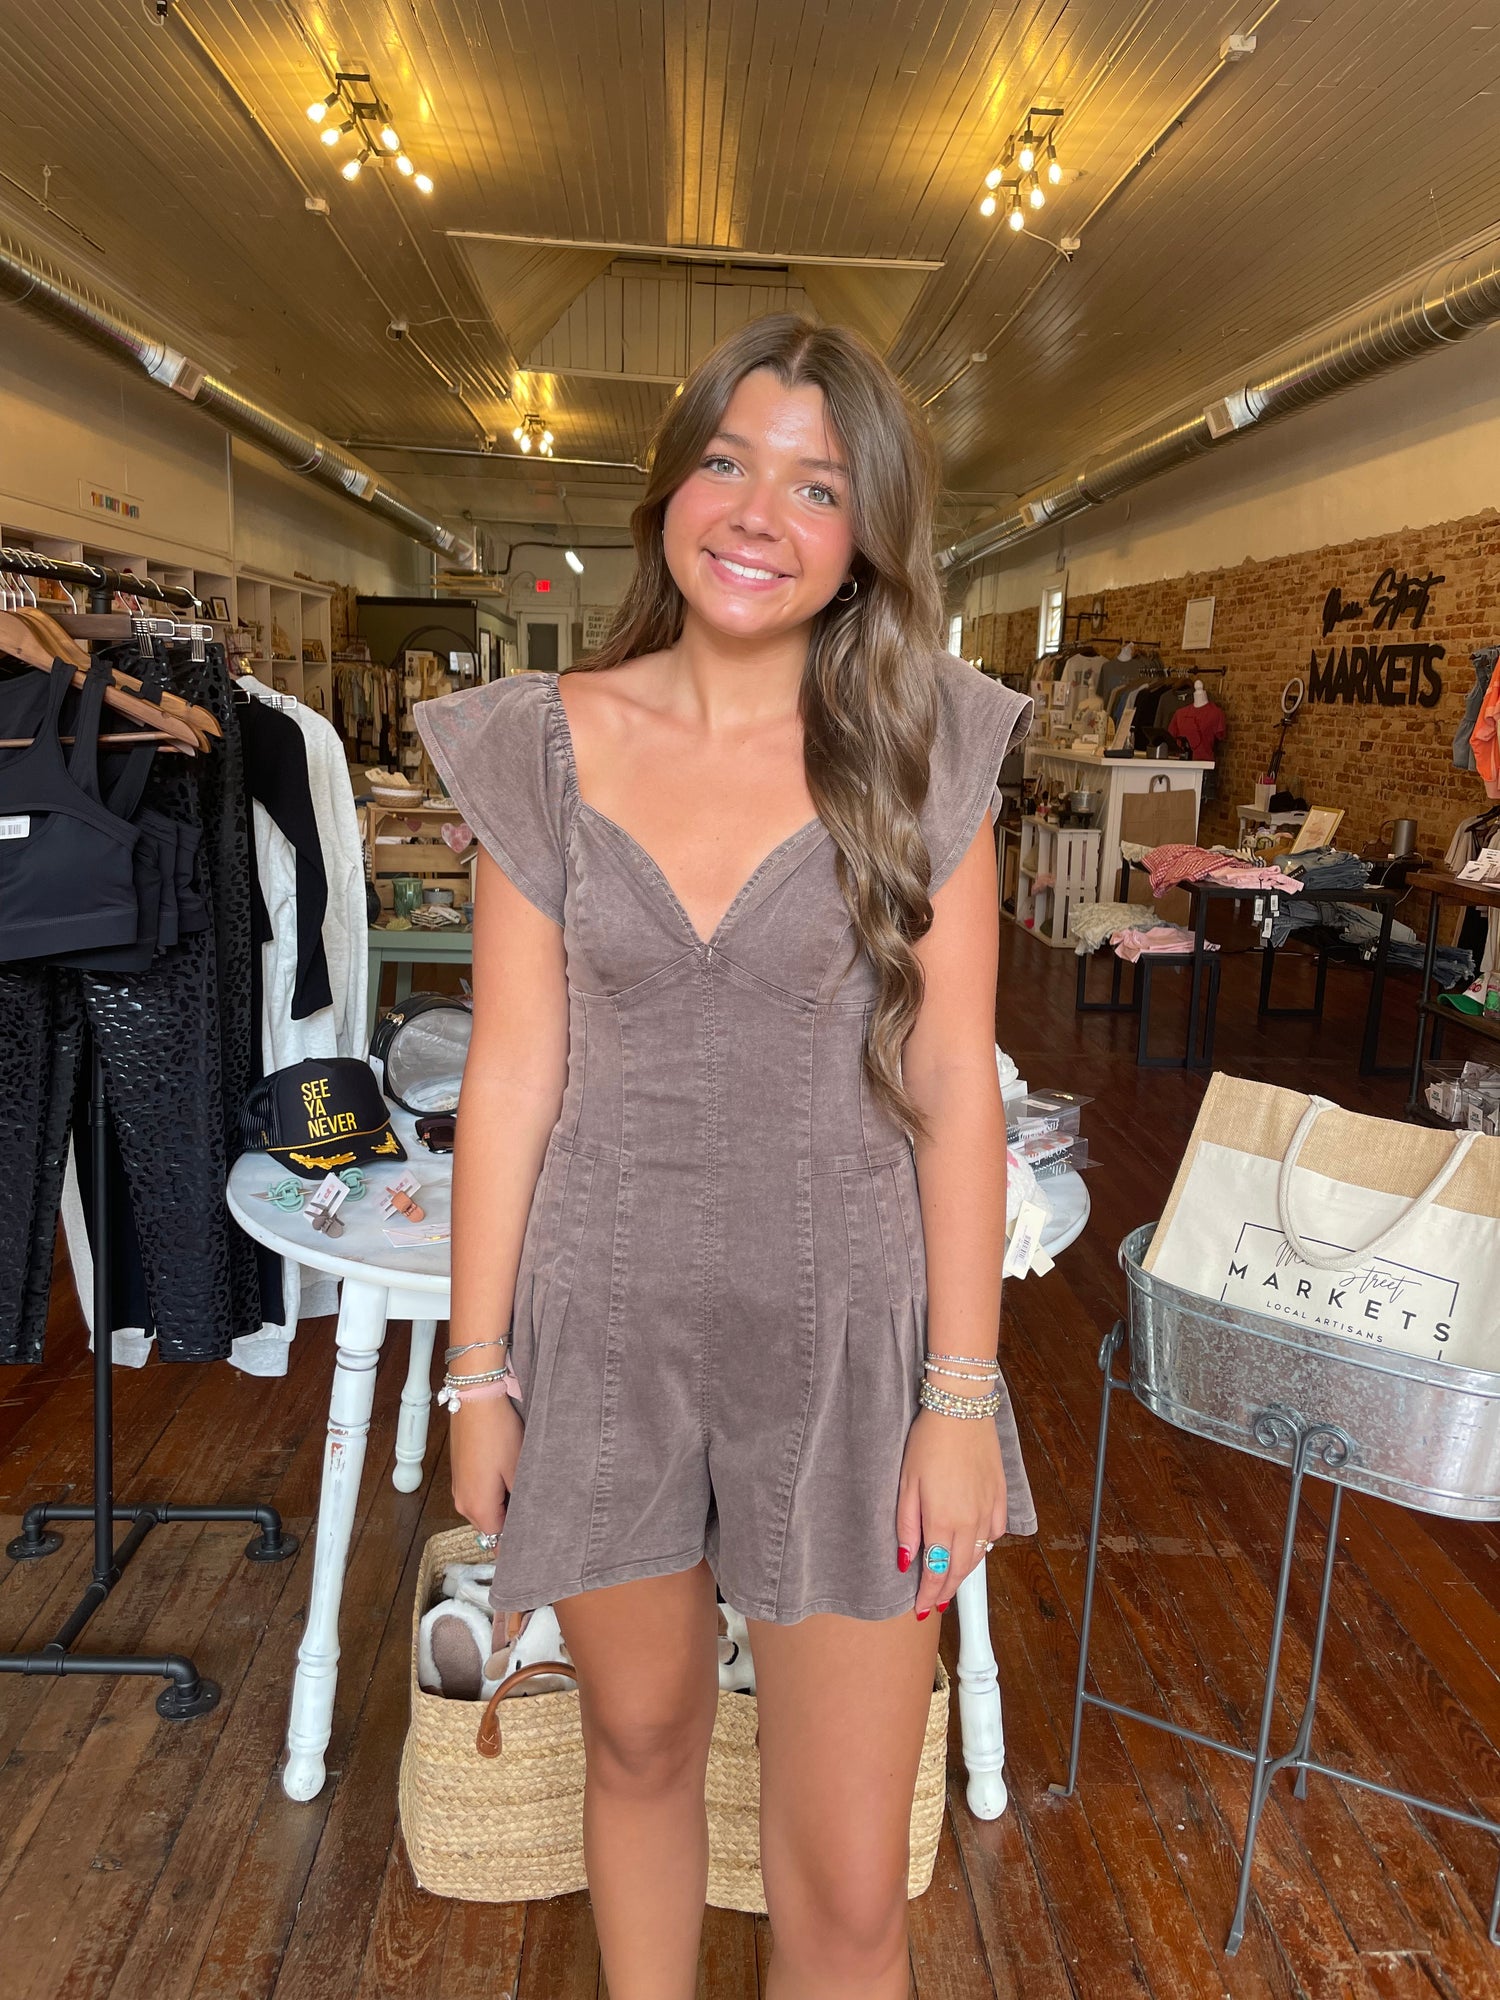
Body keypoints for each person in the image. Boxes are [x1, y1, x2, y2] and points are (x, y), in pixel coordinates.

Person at [415, 313, 1036, 2000]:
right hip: (604, 1335)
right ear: (668, 491)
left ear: (866, 538)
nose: (760, 513)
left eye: (817, 486)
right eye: (727, 462)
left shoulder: (925, 747)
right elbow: (513, 1073)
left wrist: (958, 1399)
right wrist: (478, 1375)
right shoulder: (541, 742)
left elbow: (954, 1080)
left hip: (850, 1350)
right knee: (636, 1745)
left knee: (848, 1881)